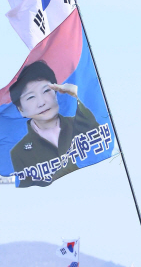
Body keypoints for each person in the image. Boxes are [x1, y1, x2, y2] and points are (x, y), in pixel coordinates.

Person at [9, 60, 100, 188]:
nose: (41, 102)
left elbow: (101, 142)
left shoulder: (80, 124)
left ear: (57, 91)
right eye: (30, 97)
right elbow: (30, 193)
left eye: (46, 91)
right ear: (21, 110)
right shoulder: (19, 153)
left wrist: (78, 95)